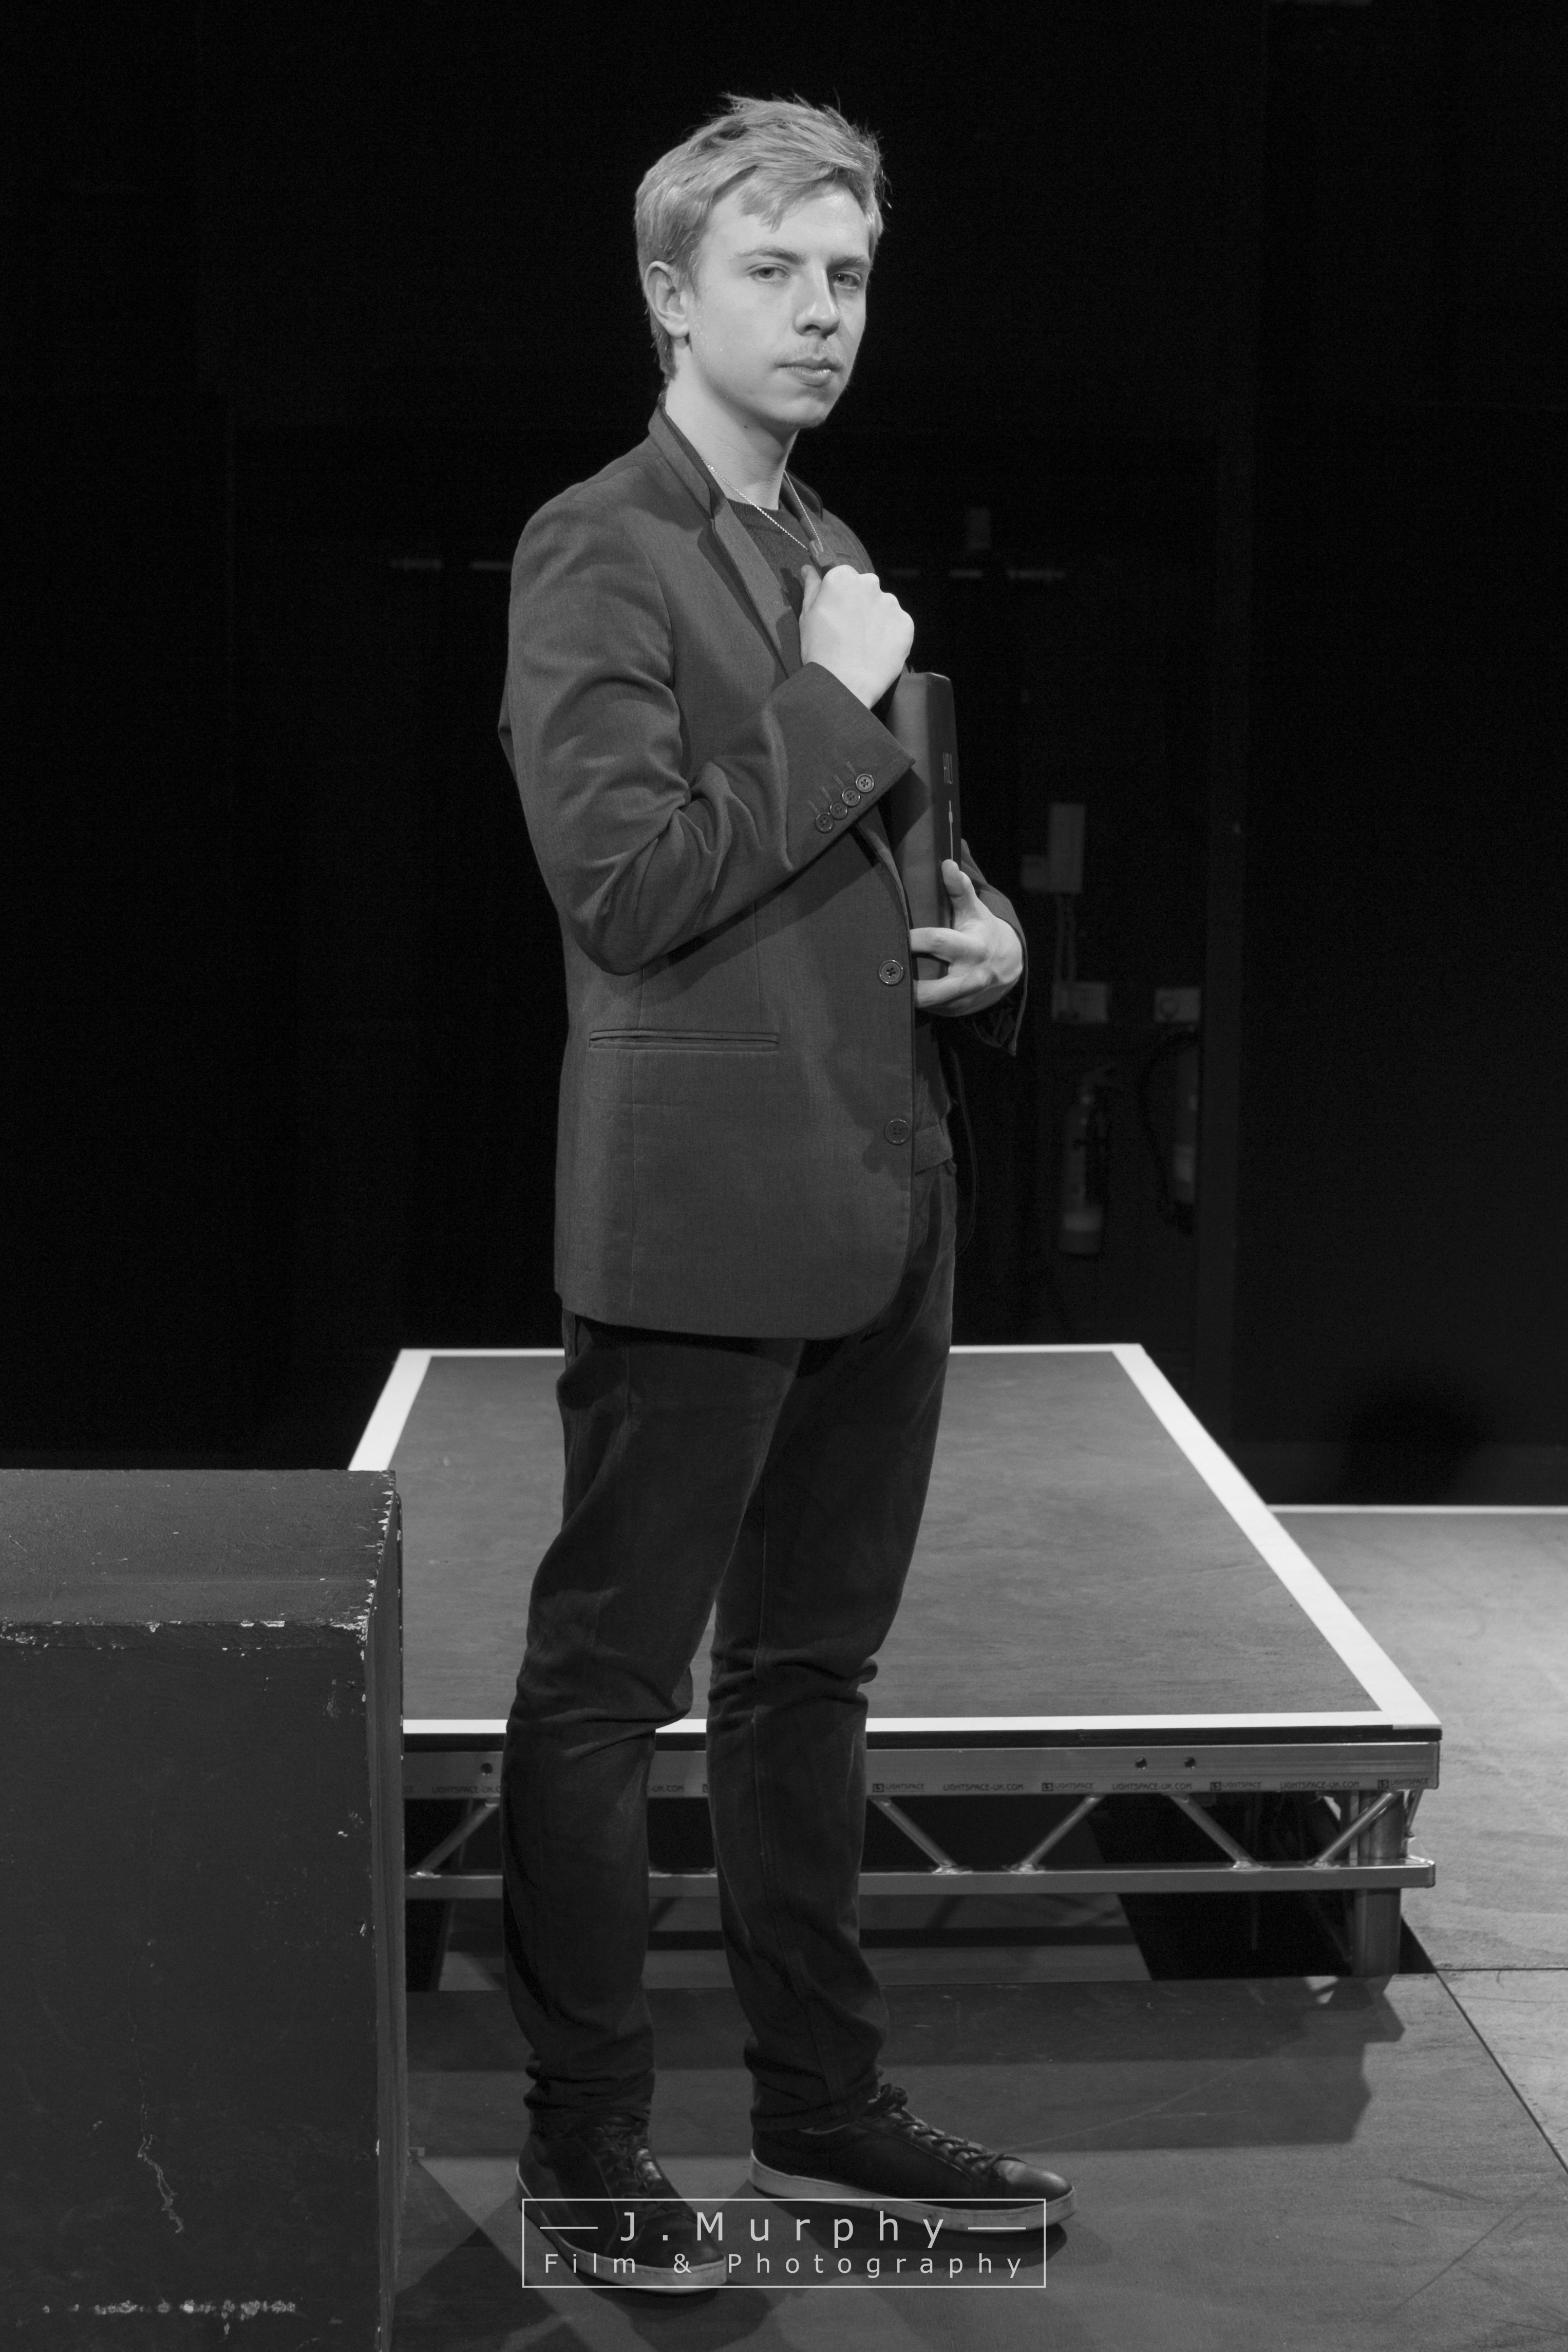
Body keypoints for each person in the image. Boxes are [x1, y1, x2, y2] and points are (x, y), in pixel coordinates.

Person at [496, 92, 1073, 2292]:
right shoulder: (598, 545)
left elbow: (873, 848)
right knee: (603, 1687)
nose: (821, 312)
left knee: (808, 1677)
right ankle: (586, 2144)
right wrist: (834, 697)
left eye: (846, 276)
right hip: (699, 1209)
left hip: (881, 1191)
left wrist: (982, 928)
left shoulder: (826, 543)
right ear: (671, 293)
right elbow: (629, 885)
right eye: (773, 271)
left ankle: (821, 2100)